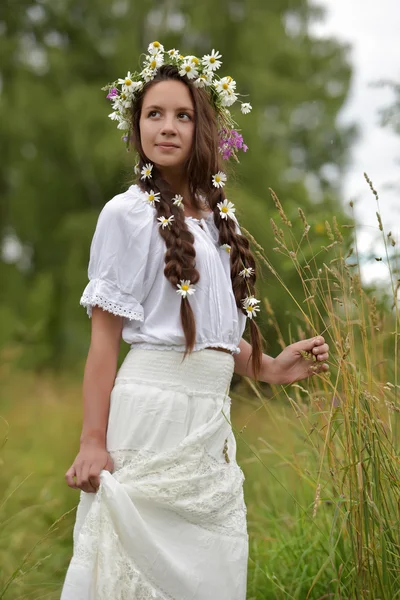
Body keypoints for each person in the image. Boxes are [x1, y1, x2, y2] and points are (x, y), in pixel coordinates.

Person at [60, 42, 330, 600]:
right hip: (149, 415)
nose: (167, 126)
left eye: (183, 115)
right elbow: (104, 344)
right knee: (132, 574)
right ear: (136, 128)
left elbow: (213, 336)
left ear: (203, 127)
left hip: (208, 425)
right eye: (153, 114)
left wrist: (269, 368)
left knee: (211, 575)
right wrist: (92, 439)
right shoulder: (126, 213)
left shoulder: (217, 221)